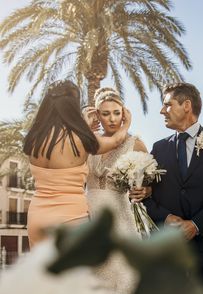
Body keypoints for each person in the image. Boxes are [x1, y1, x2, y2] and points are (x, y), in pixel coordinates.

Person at [143, 82, 203, 294]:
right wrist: (165, 217)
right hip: (166, 244)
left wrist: (195, 225)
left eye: (167, 104)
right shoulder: (158, 148)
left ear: (186, 105)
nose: (162, 111)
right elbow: (147, 197)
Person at [24, 80, 131, 246]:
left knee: (42, 270)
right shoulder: (80, 138)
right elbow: (116, 141)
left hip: (37, 216)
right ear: (73, 105)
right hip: (70, 217)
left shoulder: (34, 138)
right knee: (73, 271)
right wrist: (126, 123)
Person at [83, 87, 150, 294]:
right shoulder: (89, 142)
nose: (112, 119)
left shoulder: (135, 143)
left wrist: (146, 190)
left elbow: (149, 180)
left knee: (124, 276)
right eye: (105, 113)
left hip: (120, 217)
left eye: (116, 112)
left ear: (124, 114)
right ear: (97, 115)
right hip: (89, 215)